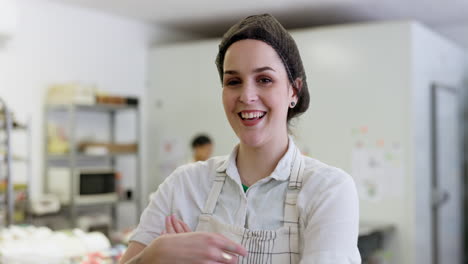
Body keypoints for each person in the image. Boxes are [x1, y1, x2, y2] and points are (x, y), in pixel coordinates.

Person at [120, 14, 361, 264]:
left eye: (264, 80)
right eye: (233, 81)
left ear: (294, 90)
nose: (247, 95)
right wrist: (151, 257)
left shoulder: (328, 190)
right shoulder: (183, 186)